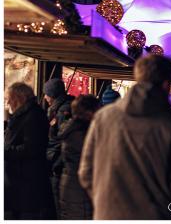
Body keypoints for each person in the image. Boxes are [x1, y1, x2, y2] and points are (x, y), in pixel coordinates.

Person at [78, 55, 171, 219]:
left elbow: (85, 172)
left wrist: (104, 199)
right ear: (165, 84)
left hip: (107, 213)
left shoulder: (103, 117)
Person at [5, 83, 51, 219]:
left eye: (9, 98)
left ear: (20, 98)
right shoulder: (24, 114)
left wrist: (5, 151)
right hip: (20, 179)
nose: (7, 102)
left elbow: (32, 148)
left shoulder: (34, 116)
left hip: (27, 180)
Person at [58, 95, 100, 219]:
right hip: (79, 190)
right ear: (88, 112)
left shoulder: (73, 129)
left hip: (72, 186)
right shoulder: (80, 134)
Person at [44, 78, 74, 219]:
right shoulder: (60, 107)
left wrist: (51, 159)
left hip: (58, 164)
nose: (44, 97)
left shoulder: (62, 111)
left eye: (46, 94)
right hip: (58, 162)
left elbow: (60, 139)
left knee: (59, 203)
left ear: (53, 94)